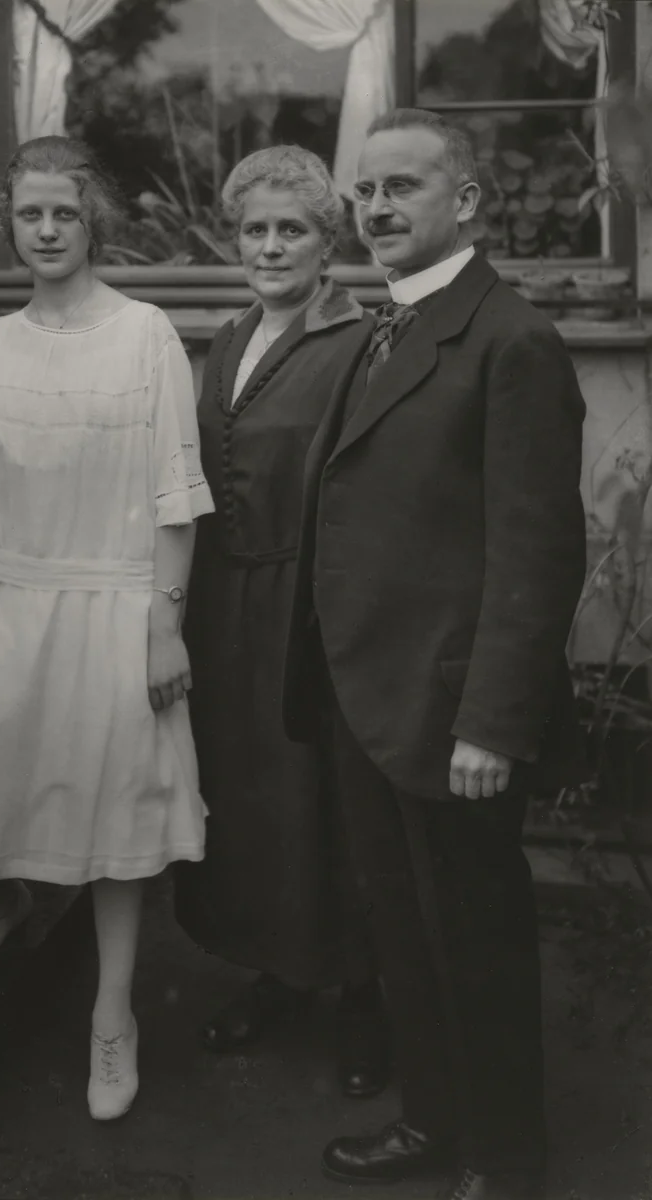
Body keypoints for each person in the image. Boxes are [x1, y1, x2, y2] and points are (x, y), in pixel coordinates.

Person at [0, 135, 214, 1123]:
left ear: (92, 220)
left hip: (109, 604)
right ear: (9, 226)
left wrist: (164, 629)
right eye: (31, 213)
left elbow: (177, 496)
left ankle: (112, 1016)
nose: (49, 229)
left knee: (112, 819)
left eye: (66, 211)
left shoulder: (145, 336)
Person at [284, 110, 587, 1199]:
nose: (375, 208)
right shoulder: (389, 326)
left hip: (453, 714)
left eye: (402, 187)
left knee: (476, 943)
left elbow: (538, 552)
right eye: (365, 190)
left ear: (464, 203)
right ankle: (432, 1123)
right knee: (404, 935)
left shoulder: (510, 340)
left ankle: (505, 1164)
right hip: (368, 697)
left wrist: (493, 724)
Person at [173, 146, 388, 1099]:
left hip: (311, 610)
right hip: (226, 609)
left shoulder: (362, 342)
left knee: (329, 804)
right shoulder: (226, 341)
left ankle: (365, 998)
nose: (269, 246)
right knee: (253, 800)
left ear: (326, 242)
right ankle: (279, 974)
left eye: (290, 230)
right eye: (254, 229)